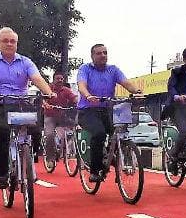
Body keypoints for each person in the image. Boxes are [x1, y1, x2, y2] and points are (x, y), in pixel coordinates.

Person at [0, 27, 55, 189]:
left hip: (21, 103)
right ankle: (1, 173)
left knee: (35, 129)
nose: (9, 44)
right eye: (5, 41)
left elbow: (37, 78)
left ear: (17, 44)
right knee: (3, 133)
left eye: (12, 41)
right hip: (0, 104)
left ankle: (29, 156)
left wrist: (48, 92)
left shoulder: (25, 62)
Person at [77, 44, 141, 183]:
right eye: (99, 53)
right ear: (92, 56)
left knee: (119, 131)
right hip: (88, 110)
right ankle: (94, 170)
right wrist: (88, 96)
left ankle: (110, 156)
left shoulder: (113, 70)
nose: (103, 56)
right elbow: (81, 85)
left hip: (107, 109)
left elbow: (126, 83)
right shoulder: (85, 69)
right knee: (99, 133)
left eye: (105, 53)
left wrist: (137, 92)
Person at [42, 71, 78, 161]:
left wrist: (79, 102)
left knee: (74, 129)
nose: (60, 80)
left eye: (62, 79)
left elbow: (74, 98)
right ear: (53, 80)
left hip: (62, 115)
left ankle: (64, 149)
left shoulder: (66, 90)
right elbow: (42, 99)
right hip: (50, 116)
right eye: (58, 79)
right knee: (49, 135)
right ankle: (50, 159)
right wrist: (46, 104)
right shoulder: (48, 88)